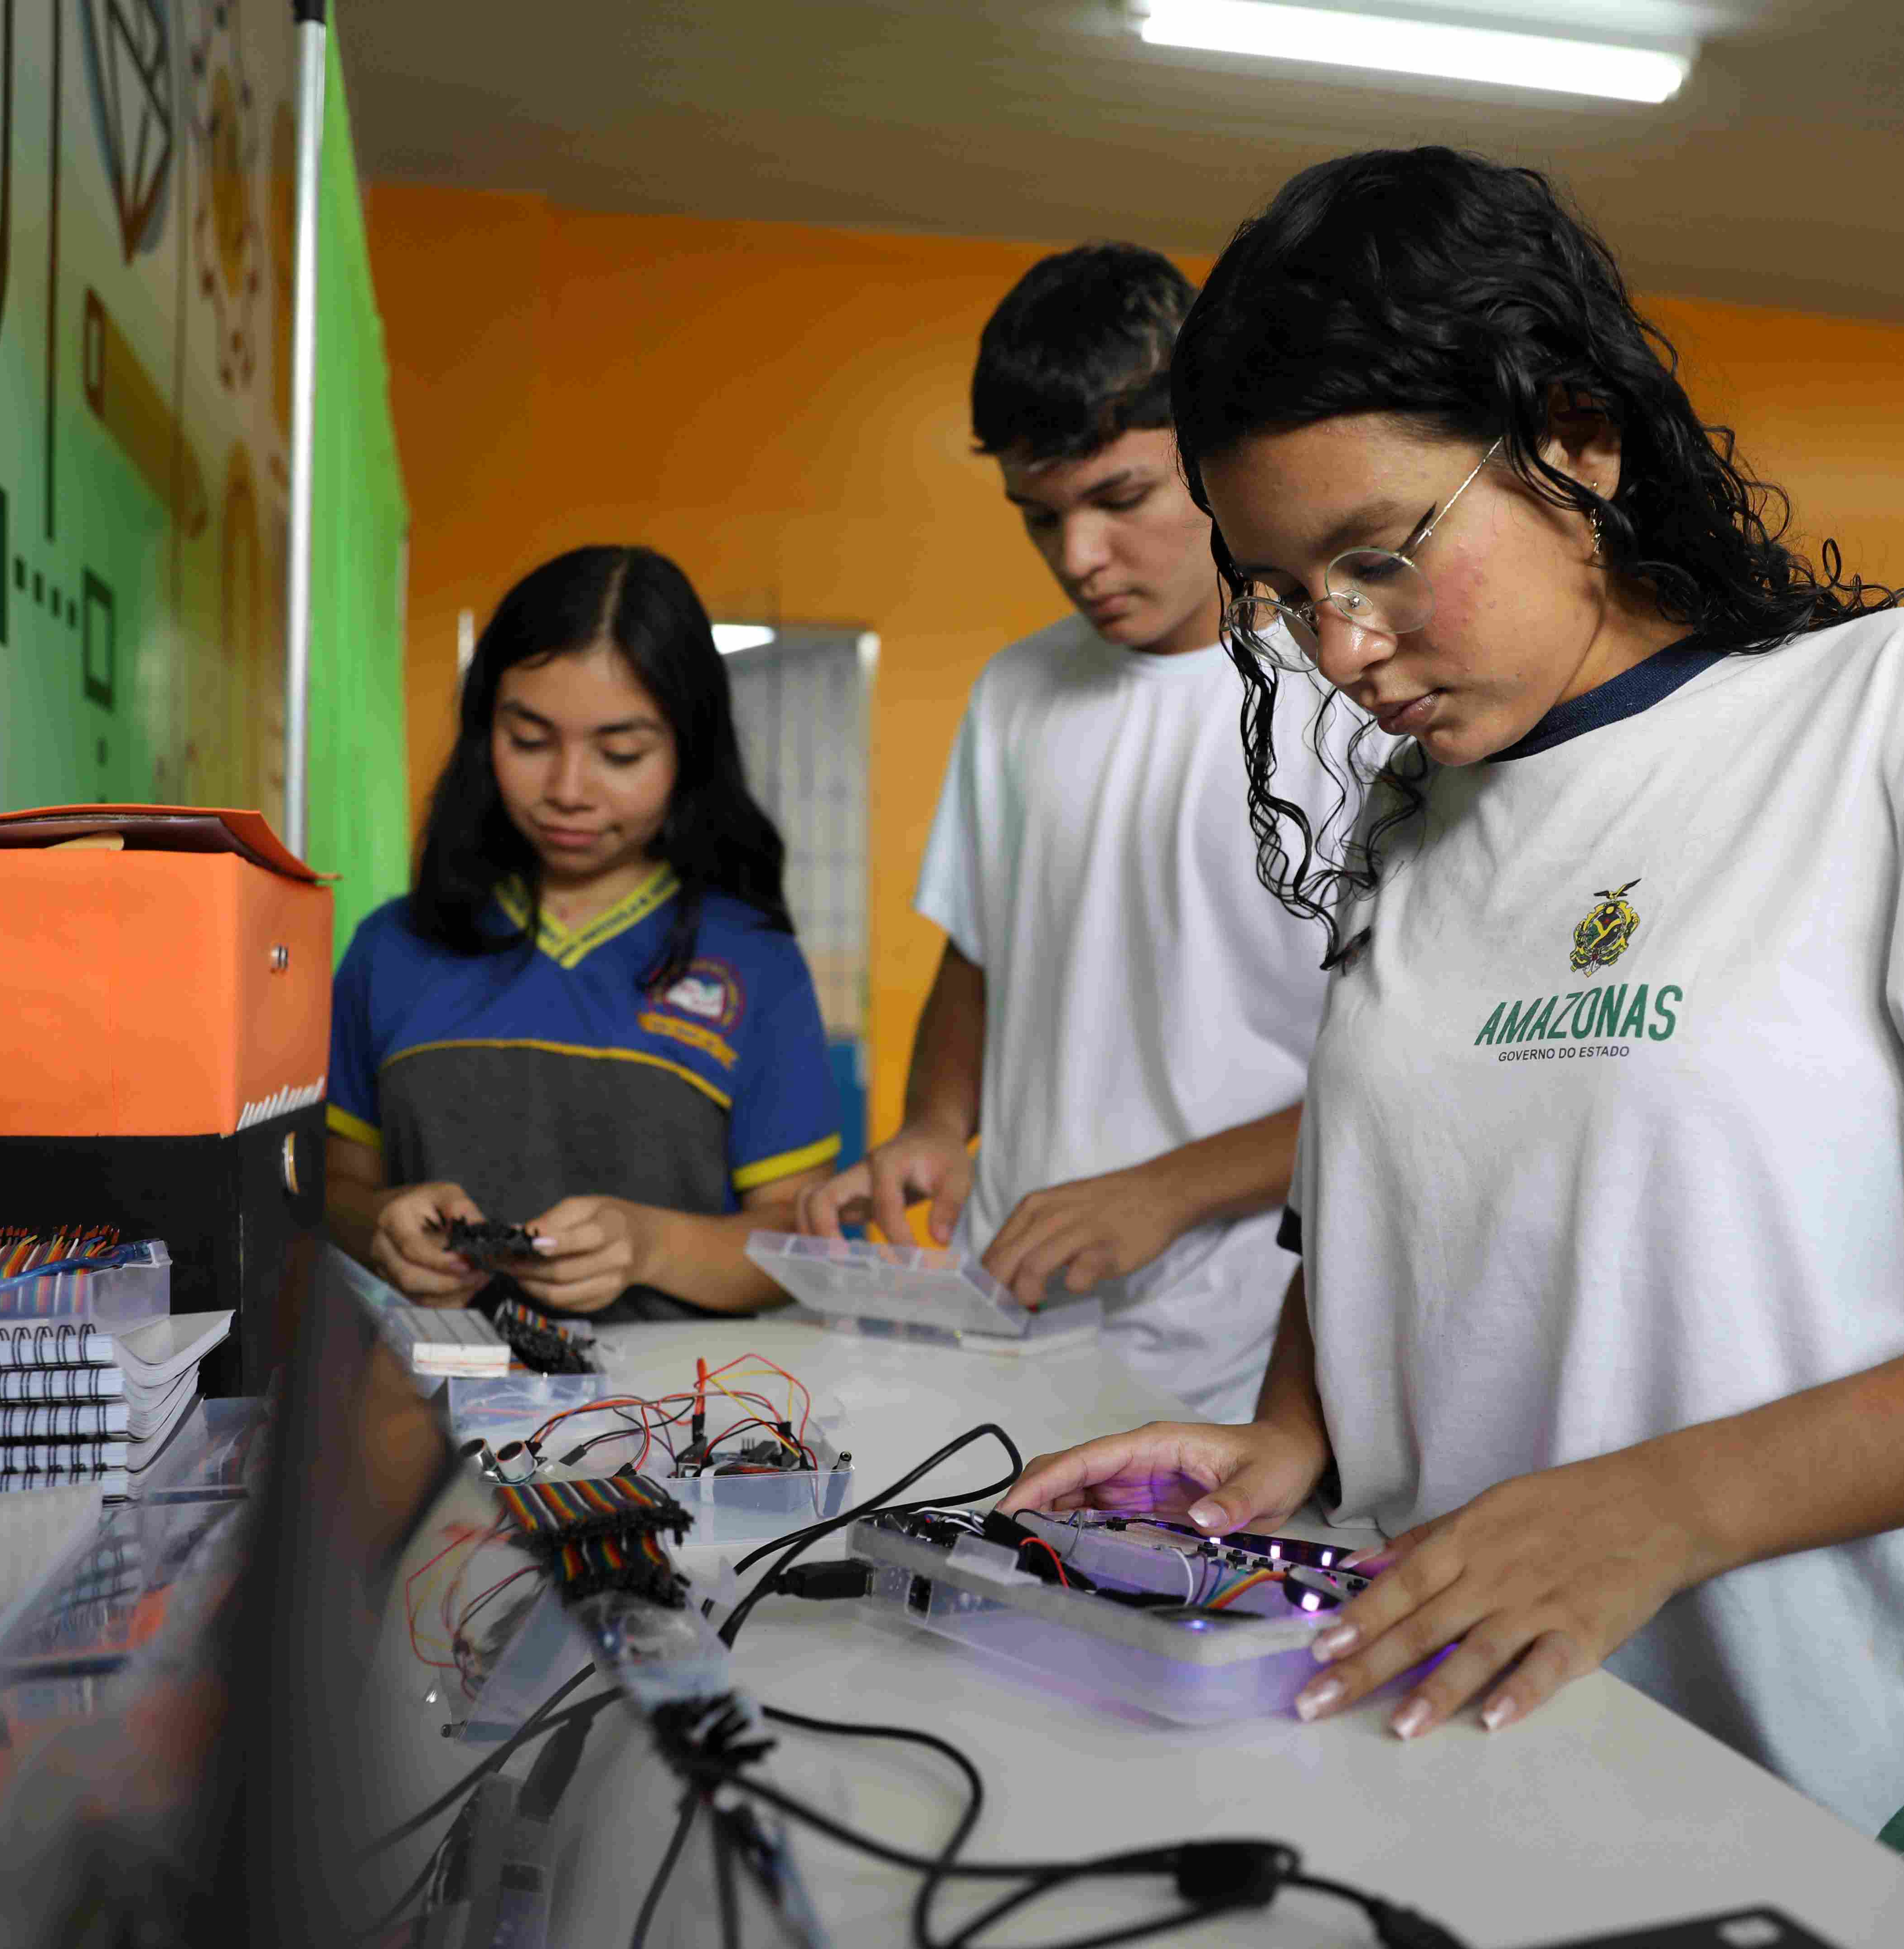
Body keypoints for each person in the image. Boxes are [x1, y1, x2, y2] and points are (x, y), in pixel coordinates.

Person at [1004, 149, 1904, 1867]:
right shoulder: (1409, 818)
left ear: (1576, 439)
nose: (1340, 648)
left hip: (1765, 1788)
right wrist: (1283, 1440)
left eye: (1376, 557)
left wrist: (1662, 1509)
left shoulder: (1902, 718)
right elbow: (1377, 1225)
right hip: (1415, 1718)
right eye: (1288, 592)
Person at [795, 243, 1342, 1421]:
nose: (1078, 558)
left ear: (1215, 446)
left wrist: (1166, 1190)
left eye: (1120, 500)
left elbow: (1412, 1073)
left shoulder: (1353, 696)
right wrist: (935, 1124)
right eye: (1039, 518)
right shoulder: (1015, 692)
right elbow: (982, 952)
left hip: (1247, 1354)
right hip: (1009, 1314)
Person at [324, 545, 842, 1322]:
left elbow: (799, 1241)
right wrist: (380, 1226)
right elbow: (331, 1188)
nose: (567, 790)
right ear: (483, 731)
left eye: (620, 753)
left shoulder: (753, 962)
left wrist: (650, 1244)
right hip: (424, 1383)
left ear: (691, 750)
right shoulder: (392, 948)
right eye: (530, 741)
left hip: (676, 1393)